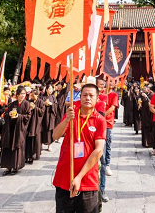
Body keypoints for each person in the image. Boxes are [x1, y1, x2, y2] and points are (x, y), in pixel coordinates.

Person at [52, 82, 106, 213]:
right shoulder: (71, 114)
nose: (87, 98)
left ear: (97, 98)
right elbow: (55, 136)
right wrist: (66, 120)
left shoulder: (100, 120)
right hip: (65, 178)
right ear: (79, 97)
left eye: (91, 95)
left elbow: (98, 151)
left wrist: (79, 177)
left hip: (87, 181)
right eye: (84, 95)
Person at [0, 85, 32, 175]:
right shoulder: (13, 104)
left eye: (24, 94)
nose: (23, 95)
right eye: (21, 94)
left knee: (17, 146)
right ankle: (8, 167)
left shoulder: (26, 104)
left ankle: (15, 166)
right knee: (9, 146)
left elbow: (28, 116)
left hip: (19, 129)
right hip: (10, 128)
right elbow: (5, 115)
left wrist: (19, 116)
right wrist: (9, 114)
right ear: (17, 95)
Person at [97, 78, 119, 202]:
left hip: (107, 124)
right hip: (93, 127)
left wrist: (101, 115)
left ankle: (102, 189)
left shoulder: (110, 96)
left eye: (103, 84)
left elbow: (111, 108)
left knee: (104, 155)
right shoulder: (95, 96)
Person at [26, 88, 45, 164]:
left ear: (37, 95)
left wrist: (35, 108)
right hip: (30, 122)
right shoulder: (29, 102)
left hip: (37, 123)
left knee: (36, 139)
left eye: (33, 95)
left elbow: (42, 112)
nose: (32, 97)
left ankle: (35, 155)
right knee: (29, 139)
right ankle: (28, 155)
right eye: (31, 95)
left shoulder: (41, 102)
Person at [42, 84, 58, 152]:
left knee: (50, 130)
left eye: (51, 89)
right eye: (49, 89)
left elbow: (56, 105)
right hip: (44, 116)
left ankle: (50, 145)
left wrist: (52, 104)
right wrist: (44, 103)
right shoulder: (43, 97)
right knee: (43, 129)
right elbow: (40, 104)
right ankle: (42, 143)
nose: (50, 90)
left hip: (51, 115)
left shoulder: (53, 97)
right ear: (46, 90)